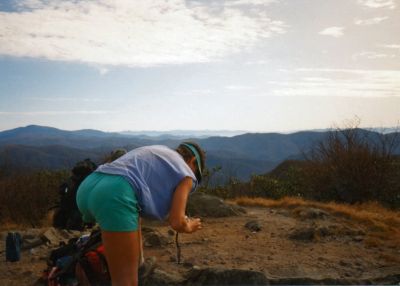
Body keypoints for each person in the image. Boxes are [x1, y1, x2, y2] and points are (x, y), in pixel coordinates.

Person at [76, 142, 205, 286]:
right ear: (193, 161)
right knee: (126, 282)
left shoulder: (161, 150)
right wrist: (189, 225)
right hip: (115, 194)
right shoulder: (187, 174)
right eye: (197, 175)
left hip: (89, 184)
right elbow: (177, 222)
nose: (194, 179)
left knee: (134, 209)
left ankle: (138, 265)